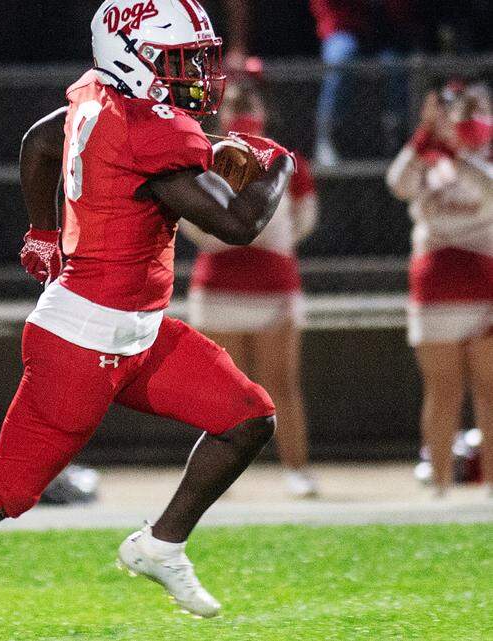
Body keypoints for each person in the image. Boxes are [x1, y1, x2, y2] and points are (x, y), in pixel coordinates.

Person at [0, 1, 296, 637]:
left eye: (198, 61)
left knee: (248, 418)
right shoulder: (147, 131)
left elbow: (41, 141)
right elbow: (239, 224)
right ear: (132, 58)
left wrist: (43, 231)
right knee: (6, 489)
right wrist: (278, 166)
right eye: (182, 61)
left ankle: (161, 545)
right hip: (81, 340)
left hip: (141, 329)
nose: (197, 77)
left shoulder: (102, 95)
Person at [181, 79, 321, 498]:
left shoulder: (286, 159)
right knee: (224, 390)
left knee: (281, 383)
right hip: (219, 288)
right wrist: (234, 234)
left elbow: (304, 219)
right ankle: (217, 480)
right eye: (233, 103)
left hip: (274, 287)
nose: (241, 109)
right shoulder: (204, 158)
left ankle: (296, 469)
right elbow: (191, 219)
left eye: (249, 101)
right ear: (219, 114)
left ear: (263, 108)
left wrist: (266, 241)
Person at [386, 80, 493, 497]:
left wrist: (462, 153)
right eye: (456, 108)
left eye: (476, 107)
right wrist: (424, 138)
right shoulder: (426, 157)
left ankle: (489, 490)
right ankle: (441, 486)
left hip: (485, 277)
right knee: (442, 387)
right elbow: (397, 183)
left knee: (489, 388)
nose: (465, 115)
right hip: (435, 281)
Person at [309, 0, 419, 165]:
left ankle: (397, 138)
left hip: (387, 31)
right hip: (343, 25)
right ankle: (326, 137)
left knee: (397, 65)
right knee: (340, 57)